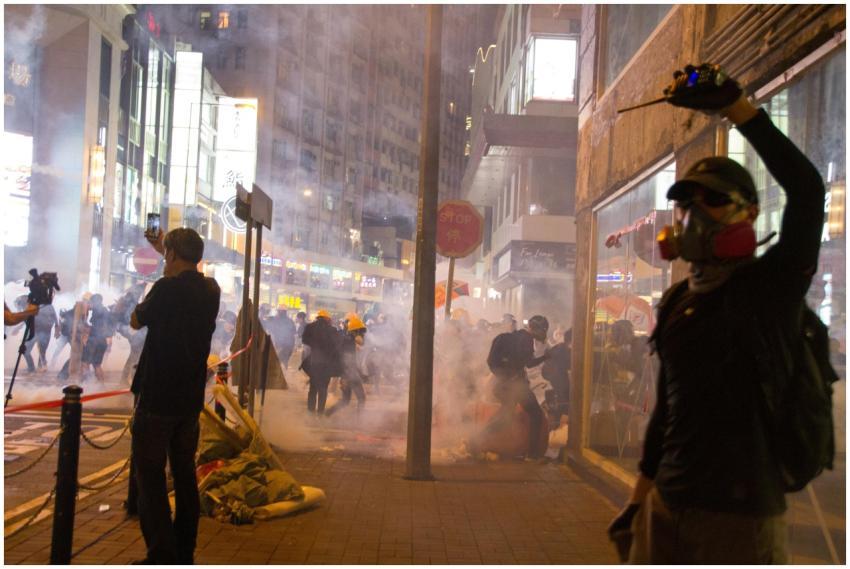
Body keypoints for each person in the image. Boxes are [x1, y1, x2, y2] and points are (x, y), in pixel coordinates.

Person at [607, 65, 826, 564]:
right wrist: (637, 500)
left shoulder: (771, 291)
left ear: (748, 213)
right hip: (666, 508)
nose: (692, 214)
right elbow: (667, 411)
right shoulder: (678, 300)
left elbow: (808, 193)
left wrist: (738, 108)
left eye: (712, 200)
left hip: (740, 523)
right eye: (684, 204)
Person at [129, 226, 220, 564]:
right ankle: (185, 551)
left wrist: (162, 268)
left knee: (150, 480)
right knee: (183, 476)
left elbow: (136, 320)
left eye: (167, 253)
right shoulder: (211, 290)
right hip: (189, 399)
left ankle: (161, 554)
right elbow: (184, 281)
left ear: (172, 255)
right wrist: (166, 251)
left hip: (157, 397)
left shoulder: (165, 289)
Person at [482, 314, 551, 459]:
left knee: (505, 415)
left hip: (502, 384)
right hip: (516, 386)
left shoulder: (510, 337)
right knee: (536, 414)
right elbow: (529, 363)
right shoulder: (526, 339)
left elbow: (492, 362)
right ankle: (532, 455)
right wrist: (546, 356)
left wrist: (504, 377)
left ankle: (477, 439)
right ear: (534, 329)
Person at [300, 309, 342, 415]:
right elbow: (338, 345)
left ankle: (310, 412)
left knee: (313, 388)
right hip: (327, 364)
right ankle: (320, 413)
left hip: (314, 362)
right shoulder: (332, 330)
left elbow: (304, 340)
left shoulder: (310, 327)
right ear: (327, 318)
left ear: (318, 317)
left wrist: (314, 345)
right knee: (323, 389)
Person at [325, 316, 368, 417]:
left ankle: (327, 414)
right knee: (361, 398)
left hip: (347, 374)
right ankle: (359, 420)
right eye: (360, 332)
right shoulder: (348, 342)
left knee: (345, 400)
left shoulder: (347, 340)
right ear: (354, 332)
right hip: (350, 374)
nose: (362, 334)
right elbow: (345, 360)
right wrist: (345, 377)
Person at [81, 294, 114, 383]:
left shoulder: (97, 310)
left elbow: (94, 326)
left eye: (91, 302)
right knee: (97, 365)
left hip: (93, 341)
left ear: (95, 302)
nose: (90, 304)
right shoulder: (105, 311)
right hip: (102, 341)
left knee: (85, 363)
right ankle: (101, 386)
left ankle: (86, 385)